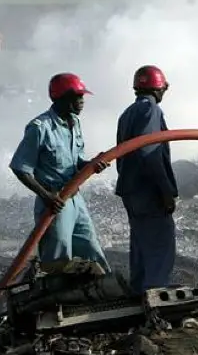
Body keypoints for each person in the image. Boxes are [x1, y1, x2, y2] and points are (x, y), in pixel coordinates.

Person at [9, 73, 109, 271]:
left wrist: (92, 164)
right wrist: (46, 196)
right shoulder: (40, 128)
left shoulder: (74, 123)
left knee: (90, 247)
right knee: (59, 255)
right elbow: (20, 168)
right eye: (77, 97)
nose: (82, 102)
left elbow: (76, 161)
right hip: (54, 200)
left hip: (74, 199)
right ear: (61, 98)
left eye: (82, 97)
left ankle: (99, 295)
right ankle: (56, 299)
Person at [115, 65, 178, 292]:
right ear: (158, 87)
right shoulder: (151, 110)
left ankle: (138, 295)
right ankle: (155, 300)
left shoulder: (128, 113)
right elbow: (148, 152)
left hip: (131, 191)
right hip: (148, 191)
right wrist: (165, 191)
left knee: (141, 246)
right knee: (160, 249)